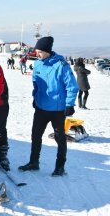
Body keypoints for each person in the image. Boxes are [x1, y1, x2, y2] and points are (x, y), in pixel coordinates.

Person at [18, 36, 78, 176]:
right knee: (35, 135)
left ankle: (60, 166)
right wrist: (35, 97)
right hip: (41, 107)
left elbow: (72, 86)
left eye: (39, 51)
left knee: (60, 138)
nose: (36, 54)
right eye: (36, 51)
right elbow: (35, 82)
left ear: (47, 51)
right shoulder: (38, 64)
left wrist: (69, 104)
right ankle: (34, 162)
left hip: (57, 109)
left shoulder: (61, 65)